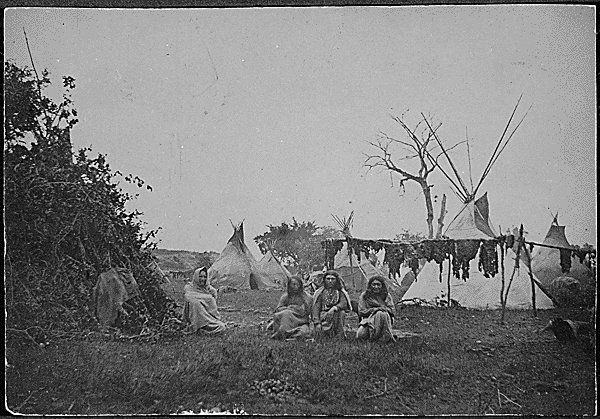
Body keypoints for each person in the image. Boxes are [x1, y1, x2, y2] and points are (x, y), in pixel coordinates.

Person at [266, 276, 313, 340]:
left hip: (300, 322)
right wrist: (288, 308)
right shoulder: (285, 297)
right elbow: (278, 310)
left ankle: (288, 335)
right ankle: (284, 332)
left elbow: (307, 312)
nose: (295, 286)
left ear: (300, 285)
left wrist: (296, 309)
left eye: (297, 284)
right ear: (289, 285)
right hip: (286, 322)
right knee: (286, 314)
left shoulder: (306, 297)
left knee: (304, 332)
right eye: (293, 284)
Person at [183, 267, 226, 334]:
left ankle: (203, 330)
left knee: (221, 327)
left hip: (209, 320)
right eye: (200, 276)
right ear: (196, 277)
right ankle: (199, 329)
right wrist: (207, 298)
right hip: (196, 320)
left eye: (205, 277)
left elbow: (213, 309)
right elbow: (190, 299)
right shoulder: (189, 288)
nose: (203, 279)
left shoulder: (209, 289)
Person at [356, 275, 396, 343]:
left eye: (378, 285)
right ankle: (380, 335)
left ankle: (379, 337)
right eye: (374, 284)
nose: (376, 287)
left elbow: (392, 311)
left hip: (385, 319)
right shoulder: (365, 295)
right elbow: (361, 312)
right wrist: (374, 310)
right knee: (361, 335)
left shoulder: (386, 295)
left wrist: (381, 308)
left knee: (381, 313)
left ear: (382, 285)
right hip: (368, 320)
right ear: (370, 285)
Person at [312, 270, 351, 338]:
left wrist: (334, 308)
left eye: (333, 279)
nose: (330, 281)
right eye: (328, 279)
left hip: (336, 314)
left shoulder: (340, 292)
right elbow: (316, 307)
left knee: (342, 313)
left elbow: (344, 303)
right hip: (324, 315)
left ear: (336, 280)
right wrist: (317, 323)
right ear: (324, 280)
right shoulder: (320, 292)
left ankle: (339, 335)